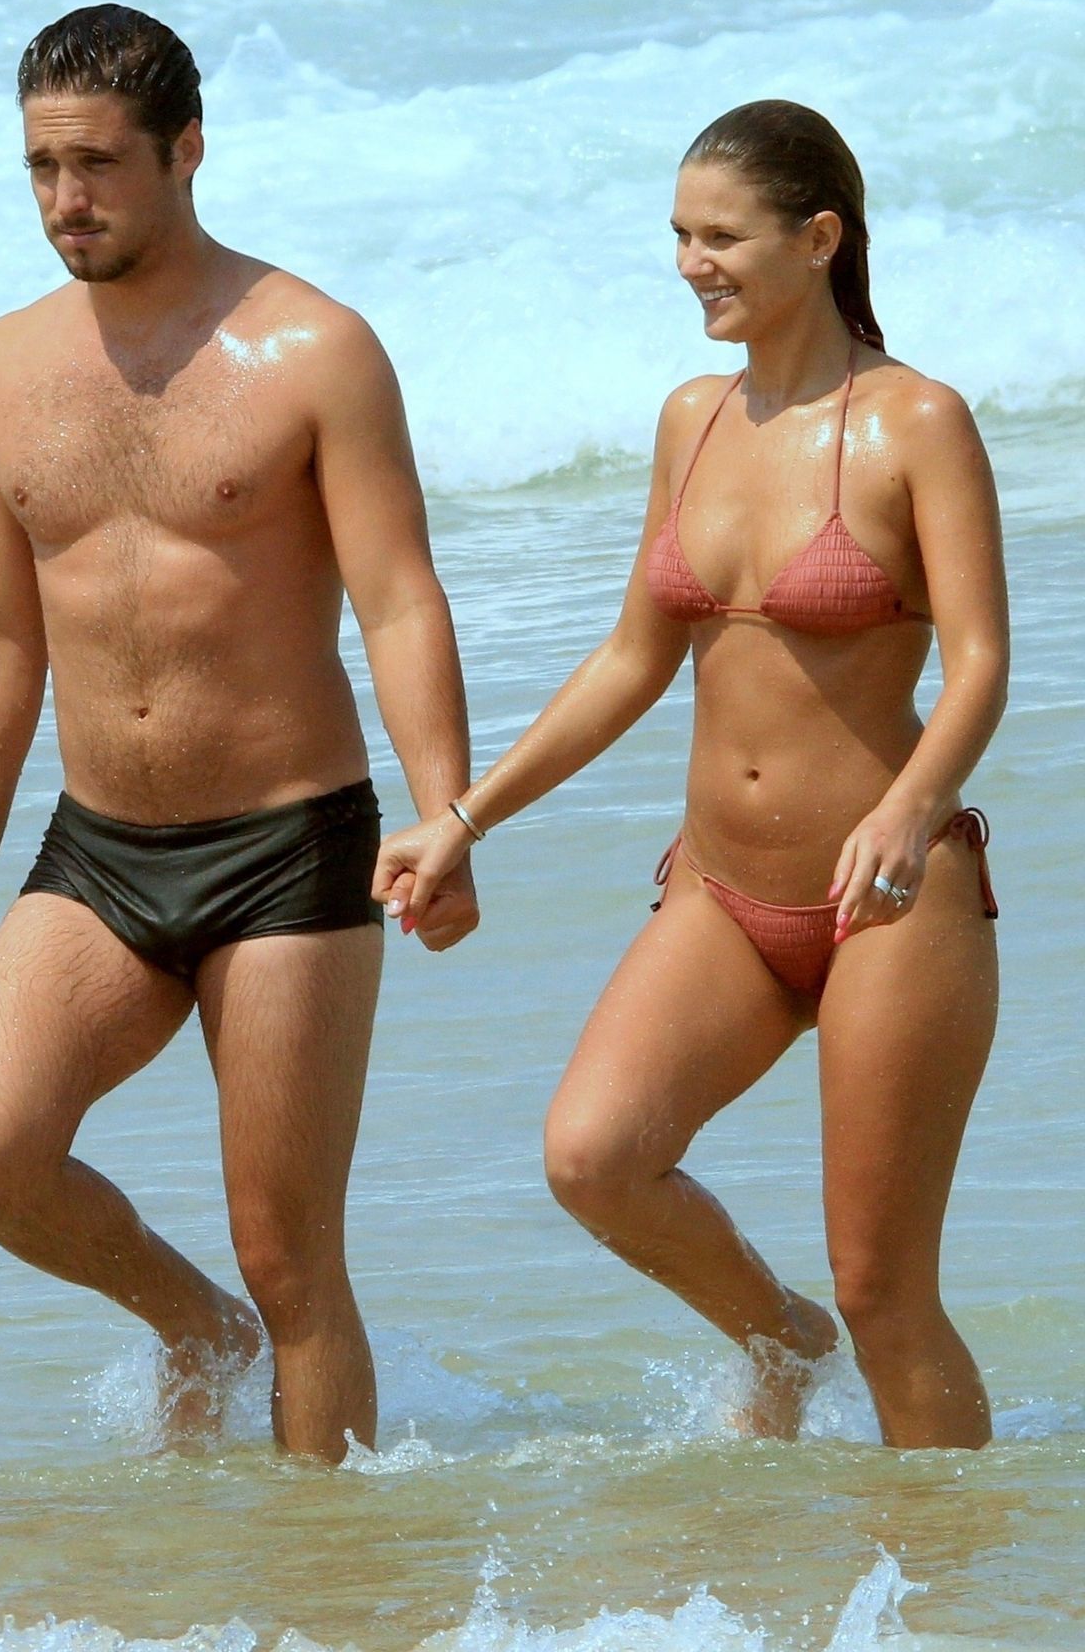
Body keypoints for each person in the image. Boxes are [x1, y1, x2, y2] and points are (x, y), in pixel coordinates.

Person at [375, 100, 1006, 1449]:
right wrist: (463, 818)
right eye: (678, 234)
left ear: (819, 239)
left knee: (885, 1288)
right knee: (594, 1156)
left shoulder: (917, 422)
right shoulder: (691, 421)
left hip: (892, 900)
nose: (689, 263)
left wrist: (911, 806)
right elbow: (631, 659)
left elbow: (983, 664)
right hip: (723, 890)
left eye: (720, 236)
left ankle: (947, 1559)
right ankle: (781, 1336)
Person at [0, 3, 478, 1462]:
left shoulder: (316, 349)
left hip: (289, 848)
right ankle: (192, 1326)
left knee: (290, 1257)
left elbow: (398, 597)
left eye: (97, 164)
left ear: (187, 151)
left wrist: (446, 813)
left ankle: (323, 1560)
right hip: (98, 851)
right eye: (41, 168)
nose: (65, 200)